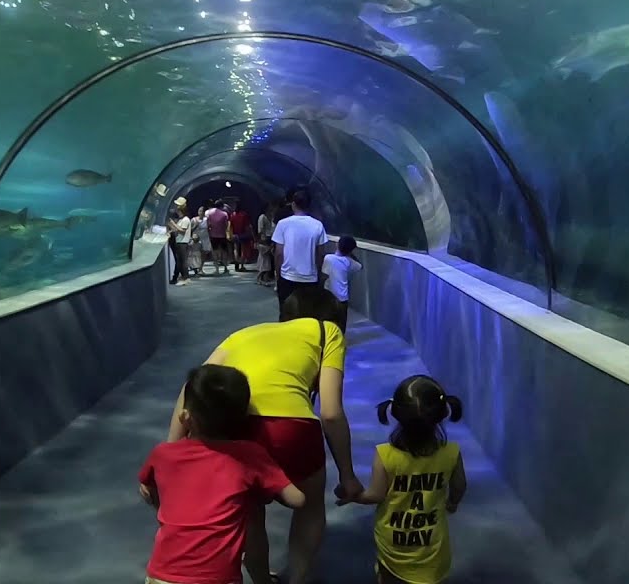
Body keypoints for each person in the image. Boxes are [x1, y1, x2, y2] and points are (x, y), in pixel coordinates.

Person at [167, 286, 363, 584]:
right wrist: (347, 476)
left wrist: (171, 450)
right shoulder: (328, 331)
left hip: (236, 425)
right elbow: (331, 412)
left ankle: (261, 580)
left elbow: (193, 386)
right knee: (310, 505)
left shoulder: (242, 334)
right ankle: (296, 578)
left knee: (250, 514)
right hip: (293, 428)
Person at [140, 364, 305, 584]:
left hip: (162, 576)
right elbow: (297, 499)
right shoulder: (250, 455)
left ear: (185, 417)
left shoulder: (162, 454)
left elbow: (146, 487)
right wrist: (262, 490)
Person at [341, 375, 467, 584]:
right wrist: (452, 502)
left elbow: (375, 495)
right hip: (431, 546)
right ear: (442, 413)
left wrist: (355, 496)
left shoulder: (385, 454)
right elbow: (459, 486)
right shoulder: (451, 453)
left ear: (394, 413)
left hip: (393, 547)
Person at [272, 189, 328, 314]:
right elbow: (320, 254)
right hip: (310, 278)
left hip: (287, 277)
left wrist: (278, 275)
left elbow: (279, 253)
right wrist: (318, 273)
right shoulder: (318, 225)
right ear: (309, 205)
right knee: (308, 314)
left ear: (293, 204)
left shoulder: (283, 224)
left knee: (286, 313)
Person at [322, 235, 363, 333]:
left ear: (337, 244)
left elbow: (323, 276)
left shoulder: (328, 258)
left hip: (329, 296)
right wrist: (350, 254)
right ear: (351, 250)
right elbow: (360, 266)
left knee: (327, 323)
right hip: (342, 298)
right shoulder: (349, 262)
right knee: (341, 325)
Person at [167, 198, 191, 286]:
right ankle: (183, 277)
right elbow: (177, 230)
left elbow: (182, 231)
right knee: (180, 261)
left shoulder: (185, 219)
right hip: (179, 241)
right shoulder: (181, 220)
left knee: (183, 261)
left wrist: (173, 224)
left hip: (183, 242)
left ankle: (186, 277)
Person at [207, 202, 231, 275]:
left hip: (213, 235)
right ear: (222, 206)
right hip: (222, 235)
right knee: (224, 252)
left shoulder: (209, 213)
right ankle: (225, 268)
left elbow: (208, 225)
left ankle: (217, 269)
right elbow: (226, 225)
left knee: (215, 252)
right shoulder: (224, 214)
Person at [230, 203, 253, 272]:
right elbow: (247, 226)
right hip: (243, 234)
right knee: (243, 249)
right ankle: (242, 265)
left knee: (236, 249)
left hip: (235, 234)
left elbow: (231, 225)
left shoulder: (232, 215)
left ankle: (236, 262)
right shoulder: (244, 215)